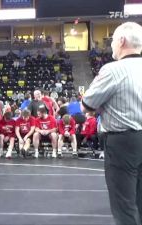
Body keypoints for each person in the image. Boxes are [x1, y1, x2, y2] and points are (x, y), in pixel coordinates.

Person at [81, 22, 142, 225]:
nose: (112, 46)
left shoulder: (113, 70)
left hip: (124, 143)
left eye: (113, 41)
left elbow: (87, 105)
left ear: (122, 41)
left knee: (124, 204)